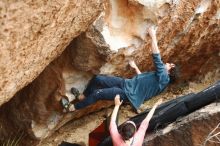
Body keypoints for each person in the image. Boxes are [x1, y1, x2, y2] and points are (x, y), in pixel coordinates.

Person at [60, 26, 179, 112]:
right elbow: (143, 82)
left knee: (98, 94)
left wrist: (153, 36)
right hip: (126, 84)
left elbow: (156, 56)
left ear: (170, 69)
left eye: (168, 64)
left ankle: (71, 108)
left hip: (127, 94)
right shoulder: (161, 79)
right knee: (98, 79)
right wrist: (135, 67)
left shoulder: (164, 78)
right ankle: (83, 96)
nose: (166, 63)